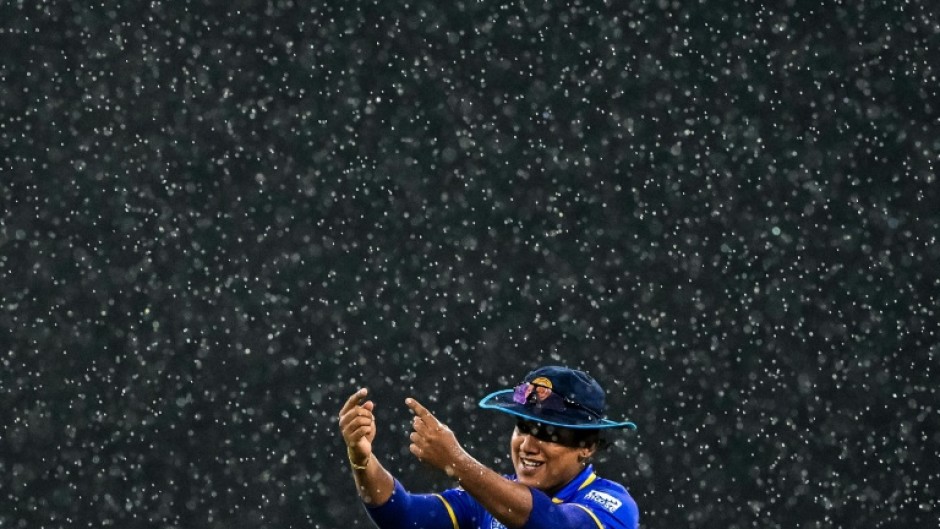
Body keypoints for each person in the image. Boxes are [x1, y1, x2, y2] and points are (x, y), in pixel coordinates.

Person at [337, 365, 640, 529]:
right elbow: (402, 516)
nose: (528, 445)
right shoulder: (487, 495)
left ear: (586, 445)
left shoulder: (612, 503)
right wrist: (363, 459)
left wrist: (457, 462)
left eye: (547, 434)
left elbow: (554, 524)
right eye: (523, 428)